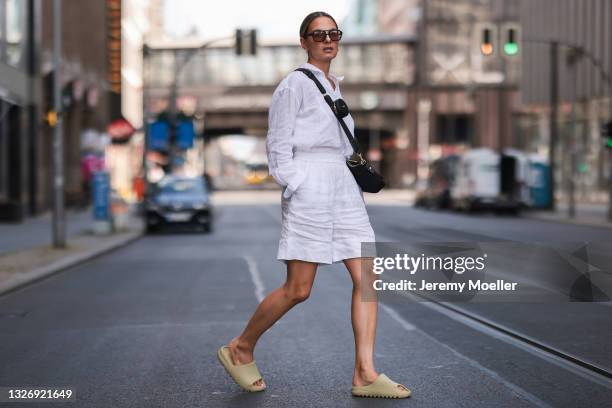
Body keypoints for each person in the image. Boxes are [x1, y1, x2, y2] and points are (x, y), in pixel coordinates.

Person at [217, 11, 411, 399]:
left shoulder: (334, 86)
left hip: (343, 191)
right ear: (303, 41)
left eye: (333, 33)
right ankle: (240, 347)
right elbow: (278, 146)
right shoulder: (293, 85)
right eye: (318, 33)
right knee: (299, 289)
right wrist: (297, 185)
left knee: (367, 280)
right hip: (310, 189)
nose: (327, 39)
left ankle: (365, 373)